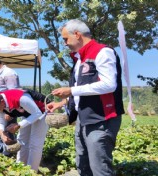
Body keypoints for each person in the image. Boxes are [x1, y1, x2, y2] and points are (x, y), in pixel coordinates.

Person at [47, 19, 124, 176]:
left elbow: (109, 84)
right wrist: (63, 102)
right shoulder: (80, 59)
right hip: (83, 119)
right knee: (82, 164)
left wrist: (72, 90)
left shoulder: (102, 52)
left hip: (101, 119)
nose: (65, 43)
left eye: (65, 39)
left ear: (77, 34)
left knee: (99, 168)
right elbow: (82, 90)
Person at [0, 89, 51, 171]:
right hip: (27, 113)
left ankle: (32, 171)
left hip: (42, 111)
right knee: (22, 140)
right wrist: (2, 133)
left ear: (2, 101)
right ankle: (20, 167)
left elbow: (37, 113)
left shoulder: (20, 98)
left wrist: (19, 125)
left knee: (35, 143)